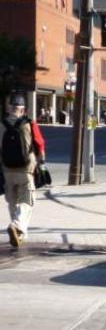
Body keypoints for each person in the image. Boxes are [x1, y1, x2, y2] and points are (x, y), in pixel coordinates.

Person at [0, 92, 46, 247]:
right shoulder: (29, 123)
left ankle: (19, 234)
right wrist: (41, 162)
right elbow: (39, 144)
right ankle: (17, 226)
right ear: (23, 109)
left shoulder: (1, 124)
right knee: (27, 202)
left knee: (12, 202)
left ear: (9, 107)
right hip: (25, 170)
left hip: (7, 170)